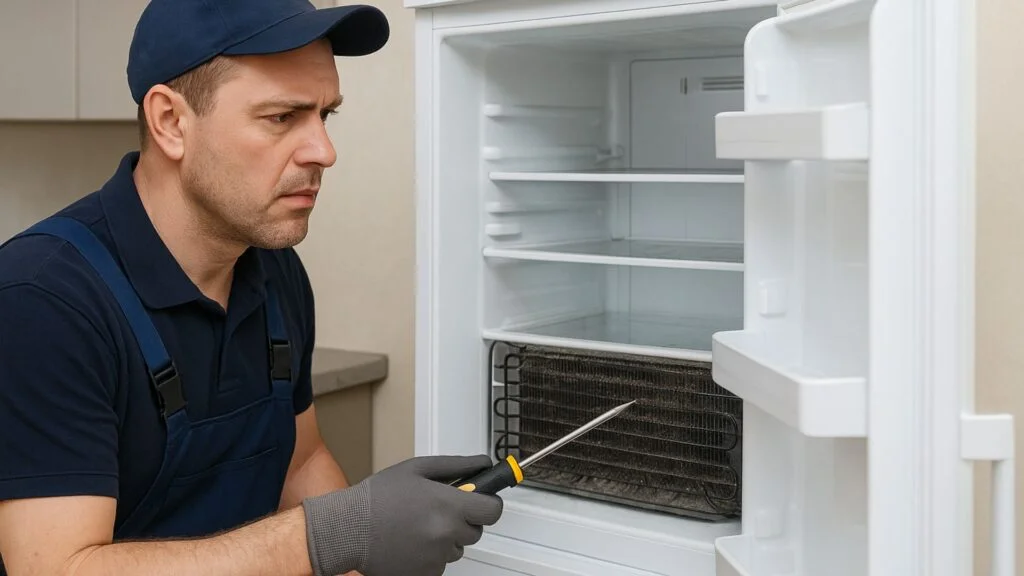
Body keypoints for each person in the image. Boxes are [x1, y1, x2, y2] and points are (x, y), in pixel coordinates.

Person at [0, 1, 503, 575]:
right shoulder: (42, 300)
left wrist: (358, 553)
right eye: (282, 117)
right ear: (170, 122)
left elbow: (300, 463)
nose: (325, 151)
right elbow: (60, 567)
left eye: (326, 115)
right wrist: (337, 531)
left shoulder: (273, 268)